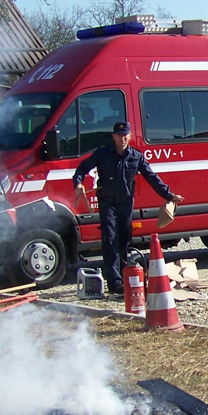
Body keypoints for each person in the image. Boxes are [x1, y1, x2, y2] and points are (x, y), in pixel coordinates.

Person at [73, 121, 181, 295]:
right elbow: (82, 168)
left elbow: (151, 177)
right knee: (110, 238)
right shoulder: (102, 154)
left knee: (124, 239)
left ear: (130, 137)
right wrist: (78, 183)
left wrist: (169, 195)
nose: (122, 139)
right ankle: (114, 283)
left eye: (125, 136)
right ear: (113, 136)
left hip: (126, 203)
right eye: (119, 135)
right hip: (107, 202)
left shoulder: (136, 156)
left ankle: (124, 276)